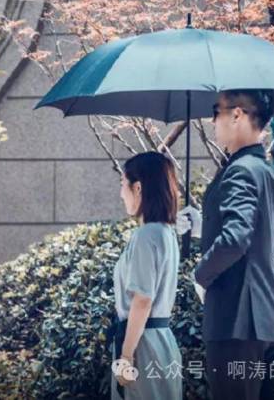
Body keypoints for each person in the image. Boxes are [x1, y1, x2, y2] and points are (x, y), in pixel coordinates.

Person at [177, 90, 274, 400]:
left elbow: (236, 239)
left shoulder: (239, 171)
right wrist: (203, 228)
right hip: (269, 319)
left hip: (235, 320)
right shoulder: (268, 171)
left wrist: (201, 275)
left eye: (215, 111)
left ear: (237, 114)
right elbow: (257, 237)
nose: (212, 120)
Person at [110, 151, 182, 400]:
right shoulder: (166, 232)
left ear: (138, 187)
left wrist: (126, 356)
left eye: (123, 184)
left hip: (142, 346)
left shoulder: (146, 236)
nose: (121, 193)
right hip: (161, 342)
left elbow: (142, 300)